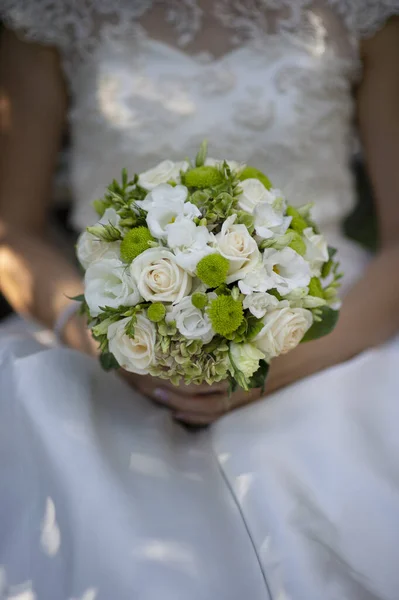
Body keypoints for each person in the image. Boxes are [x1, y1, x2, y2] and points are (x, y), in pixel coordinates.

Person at [0, 2, 399, 598]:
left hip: (329, 330)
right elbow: (12, 233)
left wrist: (277, 366)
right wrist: (107, 340)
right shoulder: (54, 13)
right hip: (108, 333)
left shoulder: (363, 12)